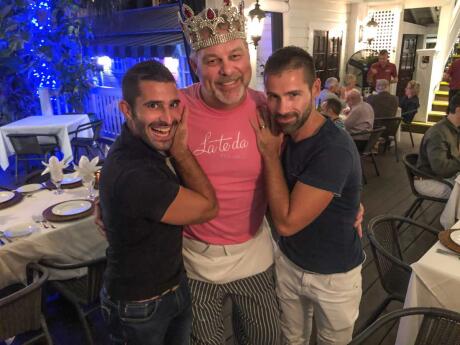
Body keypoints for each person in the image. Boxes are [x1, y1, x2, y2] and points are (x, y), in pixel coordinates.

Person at [178, 2, 282, 344]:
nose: (228, 70)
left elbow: (316, 143)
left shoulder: (268, 107)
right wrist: (107, 195)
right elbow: (131, 144)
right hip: (194, 260)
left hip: (254, 253)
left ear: (248, 57)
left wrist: (348, 196)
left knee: (265, 339)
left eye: (235, 56)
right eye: (213, 60)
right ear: (195, 66)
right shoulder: (176, 107)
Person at [98, 60, 218, 345]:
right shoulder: (136, 174)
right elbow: (208, 207)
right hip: (140, 307)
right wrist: (182, 151)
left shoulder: (136, 144)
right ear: (127, 110)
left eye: (173, 104)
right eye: (153, 106)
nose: (168, 117)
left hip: (171, 287)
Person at [252, 46, 364, 345]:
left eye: (293, 95)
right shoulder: (282, 132)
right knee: (292, 339)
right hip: (289, 260)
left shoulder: (332, 148)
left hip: (334, 276)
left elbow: (287, 223)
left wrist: (270, 156)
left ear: (315, 89)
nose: (281, 108)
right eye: (273, 96)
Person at [415, 94, 460, 199]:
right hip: (429, 181)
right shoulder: (438, 133)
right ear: (458, 110)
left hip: (445, 177)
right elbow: (441, 169)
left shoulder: (454, 128)